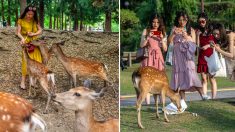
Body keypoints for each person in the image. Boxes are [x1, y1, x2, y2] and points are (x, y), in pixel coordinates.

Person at [168, 10, 203, 111]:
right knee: (179, 79)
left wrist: (186, 36)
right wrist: (174, 34)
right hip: (177, 57)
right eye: (180, 19)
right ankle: (183, 101)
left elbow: (194, 43)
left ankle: (203, 95)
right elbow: (169, 41)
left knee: (192, 75)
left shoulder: (191, 30)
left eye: (184, 20)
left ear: (187, 20)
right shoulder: (174, 29)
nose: (182, 22)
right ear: (177, 20)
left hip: (187, 57)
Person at [139, 14, 167, 105]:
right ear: (151, 22)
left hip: (158, 57)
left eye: (157, 22)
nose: (155, 24)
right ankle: (148, 104)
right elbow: (141, 45)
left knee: (158, 80)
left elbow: (165, 49)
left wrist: (162, 39)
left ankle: (157, 104)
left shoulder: (162, 32)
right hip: (149, 57)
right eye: (154, 22)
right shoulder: (146, 30)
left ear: (160, 23)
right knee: (147, 80)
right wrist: (148, 37)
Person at [16, 5, 43, 89]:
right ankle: (23, 82)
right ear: (25, 13)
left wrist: (33, 34)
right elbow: (18, 32)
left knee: (37, 61)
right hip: (26, 43)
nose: (30, 16)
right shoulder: (20, 21)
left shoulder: (35, 21)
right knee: (26, 62)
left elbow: (40, 30)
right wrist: (22, 38)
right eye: (28, 14)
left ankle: (33, 82)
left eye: (32, 14)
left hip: (34, 43)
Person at [196, 12, 217, 100]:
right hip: (202, 57)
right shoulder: (198, 31)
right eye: (200, 22)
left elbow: (215, 44)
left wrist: (208, 46)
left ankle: (214, 98)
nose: (201, 23)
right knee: (204, 79)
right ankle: (204, 97)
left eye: (203, 21)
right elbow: (197, 46)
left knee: (212, 78)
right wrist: (197, 36)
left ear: (206, 21)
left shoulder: (212, 31)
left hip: (210, 57)